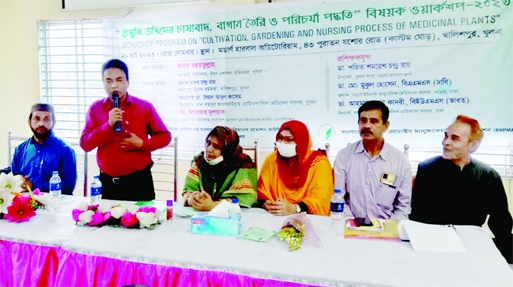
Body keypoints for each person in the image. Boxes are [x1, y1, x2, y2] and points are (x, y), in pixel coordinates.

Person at [410, 115, 512, 263]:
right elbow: (418, 216)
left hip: (471, 245)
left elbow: (500, 219)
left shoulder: (488, 175)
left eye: (455, 138)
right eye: (445, 136)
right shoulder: (427, 169)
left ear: (473, 146)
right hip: (432, 246)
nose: (446, 142)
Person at [80, 59, 171, 201]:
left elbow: (165, 137)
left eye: (119, 80)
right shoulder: (95, 108)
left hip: (139, 182)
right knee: (106, 223)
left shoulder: (144, 107)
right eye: (108, 81)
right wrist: (108, 125)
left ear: (128, 82)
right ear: (103, 83)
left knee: (142, 222)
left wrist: (142, 144)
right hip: (107, 183)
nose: (114, 85)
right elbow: (85, 144)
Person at [334, 100, 412, 220]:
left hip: (387, 229)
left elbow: (403, 207)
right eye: (363, 120)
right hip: (351, 227)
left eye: (374, 121)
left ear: (386, 125)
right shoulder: (344, 156)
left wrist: (388, 231)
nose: (367, 126)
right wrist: (353, 226)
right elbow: (339, 199)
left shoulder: (400, 161)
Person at [257, 120, 333, 216]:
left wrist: (295, 208)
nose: (283, 142)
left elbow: (321, 200)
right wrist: (266, 204)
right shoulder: (271, 160)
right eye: (280, 138)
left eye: (289, 139)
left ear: (301, 141)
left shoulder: (319, 163)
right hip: (274, 217)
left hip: (309, 219)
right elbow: (263, 192)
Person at [182, 126, 257, 211]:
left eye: (216, 146)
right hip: (201, 217)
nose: (209, 149)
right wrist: (192, 200)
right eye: (208, 143)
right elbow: (188, 191)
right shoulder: (199, 162)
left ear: (228, 150)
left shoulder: (243, 166)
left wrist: (213, 205)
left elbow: (247, 198)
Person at [11, 103, 77, 195]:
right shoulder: (20, 150)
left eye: (47, 119)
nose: (41, 124)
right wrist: (21, 183)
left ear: (54, 122)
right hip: (25, 204)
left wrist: (34, 186)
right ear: (29, 121)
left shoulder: (65, 150)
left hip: (56, 205)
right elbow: (14, 179)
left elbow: (68, 186)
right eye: (36, 119)